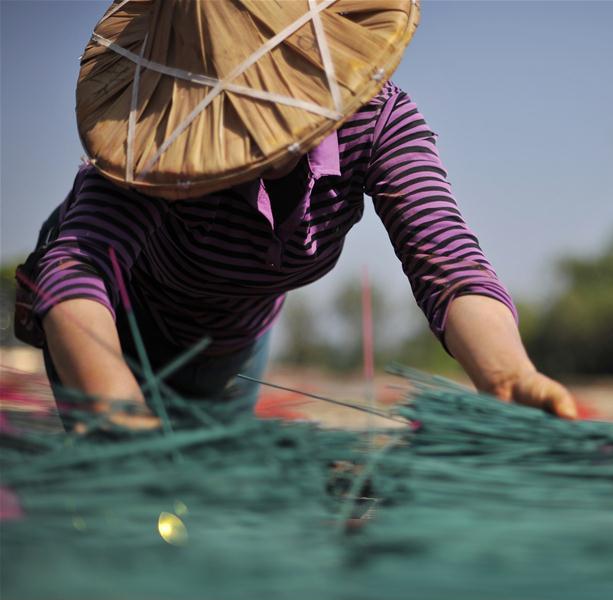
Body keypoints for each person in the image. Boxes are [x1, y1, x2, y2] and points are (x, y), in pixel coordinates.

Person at [16, 0, 576, 428]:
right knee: (126, 503)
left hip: (233, 337)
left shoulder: (377, 122)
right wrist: (114, 405)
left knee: (209, 507)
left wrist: (506, 374)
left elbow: (447, 259)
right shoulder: (157, 137)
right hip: (110, 328)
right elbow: (78, 270)